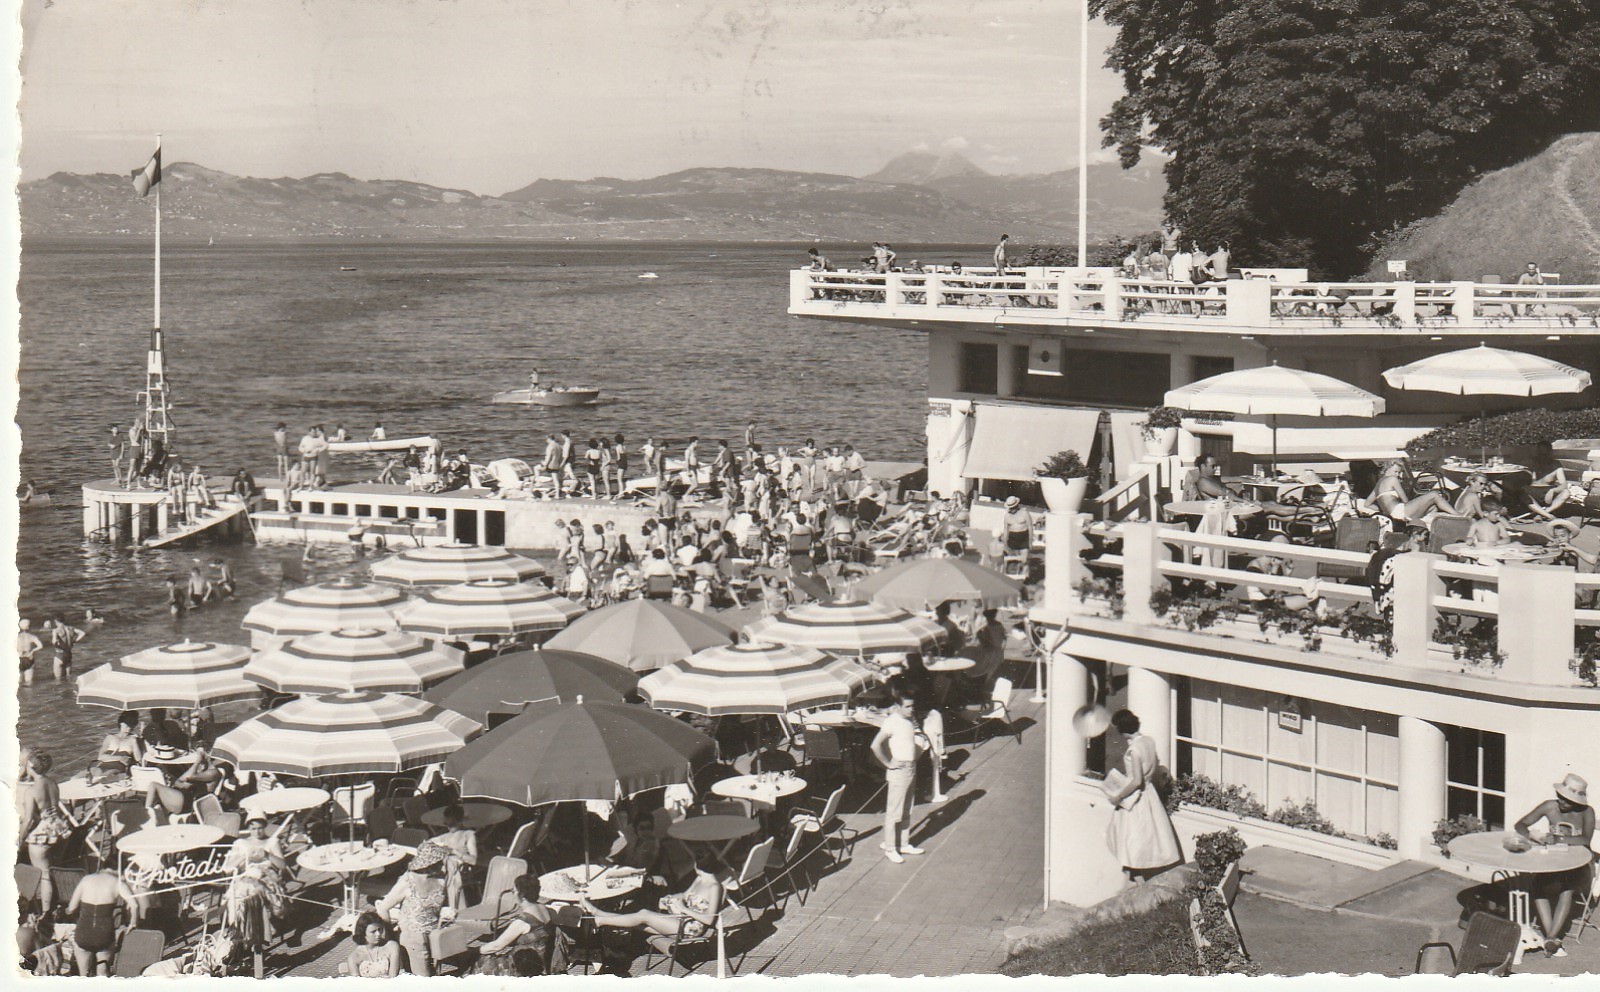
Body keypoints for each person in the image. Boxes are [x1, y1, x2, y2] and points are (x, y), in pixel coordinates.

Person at [582, 850, 727, 955]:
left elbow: (710, 920)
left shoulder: (714, 887)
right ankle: (599, 916)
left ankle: (600, 919)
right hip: (680, 919)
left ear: (697, 865)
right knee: (637, 920)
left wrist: (684, 908)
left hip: (689, 929)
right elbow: (684, 895)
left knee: (643, 914)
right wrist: (671, 898)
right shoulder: (700, 878)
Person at [1513, 774, 1594, 957]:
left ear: (1577, 801)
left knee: (1566, 889)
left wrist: (1559, 839)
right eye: (1560, 797)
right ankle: (1552, 939)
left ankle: (1550, 936)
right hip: (1553, 860)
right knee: (1537, 884)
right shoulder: (1550, 806)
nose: (1562, 802)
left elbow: (1585, 839)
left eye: (1567, 800)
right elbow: (1520, 825)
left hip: (1578, 862)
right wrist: (1534, 836)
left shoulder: (1587, 812)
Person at [1100, 709, 1183, 883]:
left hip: (1136, 799)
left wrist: (1119, 796)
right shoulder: (1148, 741)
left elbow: (1137, 780)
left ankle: (1140, 883)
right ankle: (1140, 881)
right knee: (1141, 842)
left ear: (1123, 730)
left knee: (1130, 843)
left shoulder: (1134, 751)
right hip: (1150, 794)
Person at [869, 680, 925, 863]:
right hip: (899, 770)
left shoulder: (909, 720)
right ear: (898, 706)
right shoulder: (892, 721)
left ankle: (903, 843)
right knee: (894, 812)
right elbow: (875, 745)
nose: (911, 709)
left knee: (907, 808)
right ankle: (890, 848)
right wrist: (888, 764)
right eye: (907, 706)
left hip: (911, 767)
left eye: (912, 706)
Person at [377, 840, 452, 977]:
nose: (442, 865)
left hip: (436, 933)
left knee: (435, 973)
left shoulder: (441, 879)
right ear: (428, 864)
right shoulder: (408, 881)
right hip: (413, 937)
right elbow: (383, 908)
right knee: (423, 979)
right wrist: (390, 936)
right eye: (438, 862)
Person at [470, 874, 564, 976]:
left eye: (514, 891)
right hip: (543, 960)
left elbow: (497, 946)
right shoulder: (544, 908)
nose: (513, 894)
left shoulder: (523, 922)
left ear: (522, 895)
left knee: (478, 961)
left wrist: (474, 951)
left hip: (523, 966)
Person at [222, 815, 289, 953]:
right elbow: (227, 868)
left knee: (251, 894)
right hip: (245, 877)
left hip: (266, 878)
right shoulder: (241, 843)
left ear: (265, 827)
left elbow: (282, 866)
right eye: (253, 828)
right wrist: (243, 856)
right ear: (248, 828)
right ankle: (240, 933)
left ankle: (250, 935)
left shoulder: (272, 842)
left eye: (260, 828)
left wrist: (267, 855)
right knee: (238, 897)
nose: (257, 832)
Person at [20, 749, 73, 915]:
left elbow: (28, 820)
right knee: (52, 868)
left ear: (30, 765)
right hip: (58, 828)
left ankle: (46, 912)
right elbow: (51, 808)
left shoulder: (31, 791)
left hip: (42, 834)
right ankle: (55, 901)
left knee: (44, 874)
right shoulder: (53, 783)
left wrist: (19, 839)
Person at [65, 868, 139, 977]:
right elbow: (134, 905)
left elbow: (71, 908)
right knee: (102, 975)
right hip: (104, 933)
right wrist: (133, 922)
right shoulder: (117, 882)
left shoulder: (86, 879)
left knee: (83, 976)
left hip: (84, 931)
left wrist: (66, 911)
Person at [432, 804, 480, 910]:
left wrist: (454, 851)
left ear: (460, 821)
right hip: (441, 865)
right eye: (446, 824)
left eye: (451, 825)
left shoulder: (468, 834)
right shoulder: (443, 836)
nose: (448, 827)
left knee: (451, 865)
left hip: (457, 867)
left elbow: (473, 860)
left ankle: (454, 908)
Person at [339, 911, 403, 978]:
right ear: (363, 933)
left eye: (379, 930)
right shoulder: (354, 957)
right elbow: (357, 982)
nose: (378, 934)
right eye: (373, 932)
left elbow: (393, 977)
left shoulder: (391, 946)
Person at [97, 711, 145, 775]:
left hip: (117, 769)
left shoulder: (132, 740)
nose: (130, 727)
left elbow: (138, 759)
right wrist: (120, 758)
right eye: (128, 724)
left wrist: (135, 742)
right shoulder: (110, 737)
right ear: (121, 723)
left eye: (133, 724)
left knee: (107, 773)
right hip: (102, 766)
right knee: (86, 773)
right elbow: (100, 757)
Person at [18, 618, 43, 686]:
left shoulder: (16, 637)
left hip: (18, 659)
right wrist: (32, 651)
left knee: (18, 682)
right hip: (28, 659)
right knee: (28, 682)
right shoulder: (32, 636)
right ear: (28, 627)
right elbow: (40, 646)